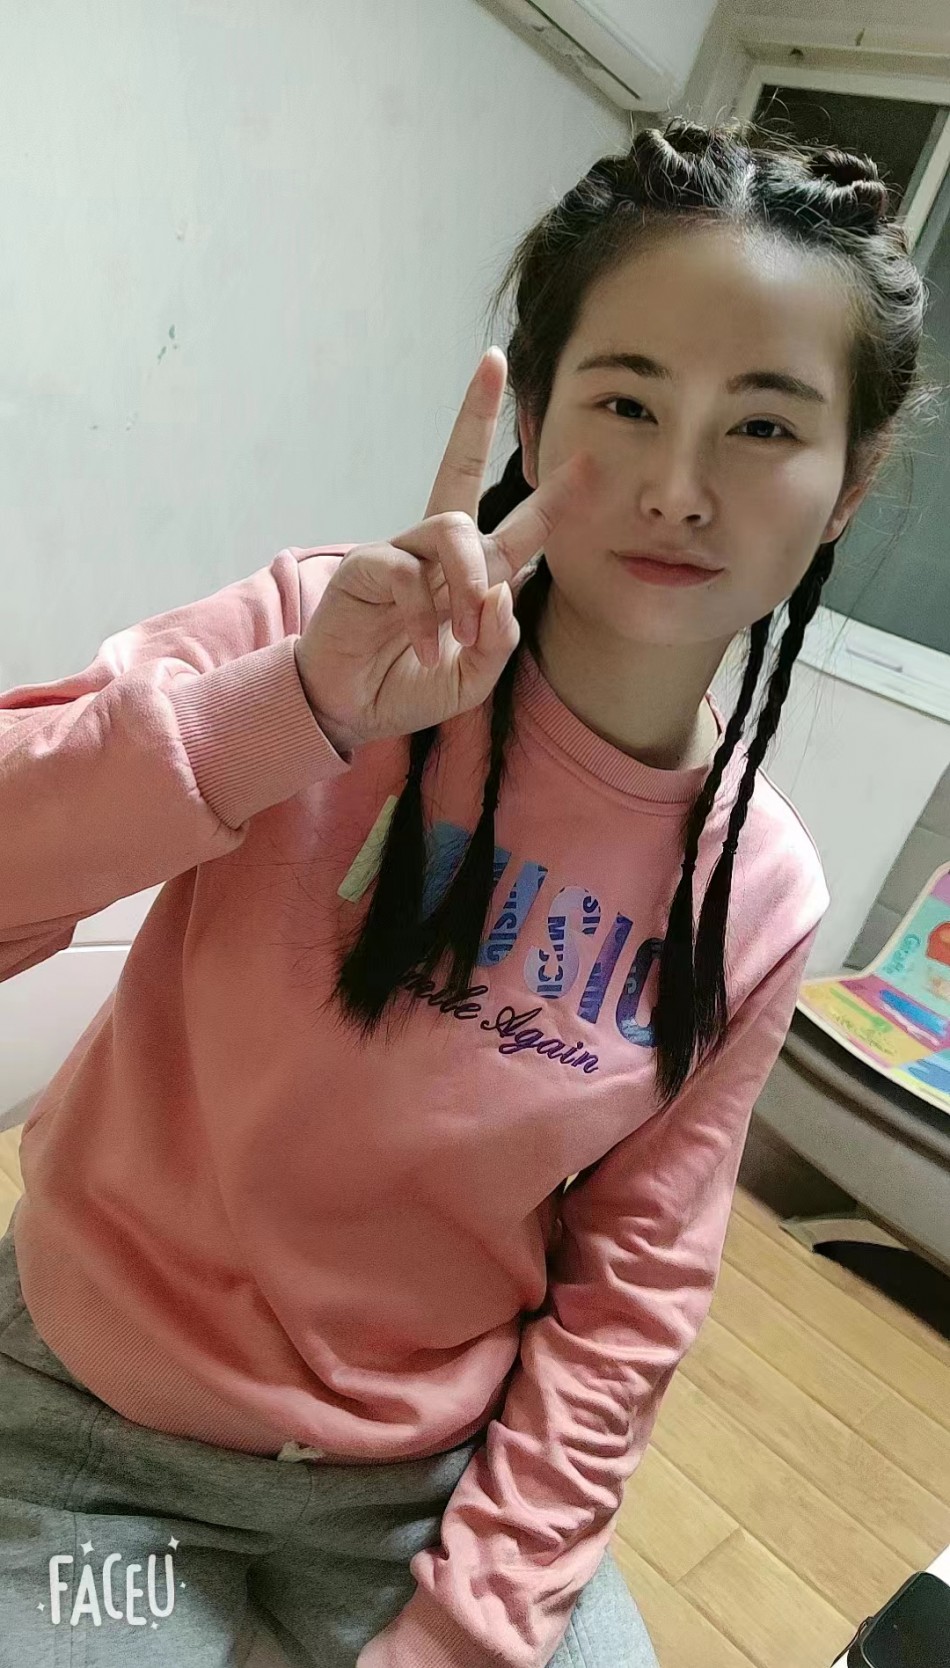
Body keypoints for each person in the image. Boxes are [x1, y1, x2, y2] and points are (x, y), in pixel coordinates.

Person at [0, 114, 931, 1668]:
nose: (678, 488)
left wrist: (465, 1628)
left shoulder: (758, 892)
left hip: (414, 1491)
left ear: (850, 481)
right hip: (95, 1448)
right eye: (625, 402)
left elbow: (631, 1291)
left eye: (763, 426)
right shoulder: (315, 633)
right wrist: (295, 710)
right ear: (534, 413)